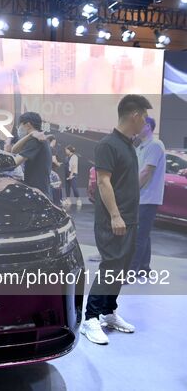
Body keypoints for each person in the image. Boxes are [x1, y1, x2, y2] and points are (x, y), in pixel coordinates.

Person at [81, 94, 152, 345]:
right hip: (114, 219)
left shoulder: (128, 144)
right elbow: (103, 181)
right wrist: (115, 215)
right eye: (144, 116)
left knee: (121, 268)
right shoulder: (108, 144)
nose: (145, 121)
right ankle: (90, 318)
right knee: (110, 266)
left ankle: (108, 311)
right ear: (134, 115)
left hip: (129, 218)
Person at [129, 117, 165, 274]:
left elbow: (146, 172)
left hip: (147, 198)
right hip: (142, 197)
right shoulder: (141, 147)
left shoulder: (155, 145)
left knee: (139, 236)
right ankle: (144, 267)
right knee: (144, 233)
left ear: (148, 127)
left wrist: (131, 191)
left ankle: (131, 271)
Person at [10, 112, 52, 195]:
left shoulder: (36, 140)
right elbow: (14, 150)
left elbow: (14, 163)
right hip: (40, 189)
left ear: (28, 124)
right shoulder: (34, 138)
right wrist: (30, 135)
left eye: (20, 125)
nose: (19, 128)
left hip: (38, 192)